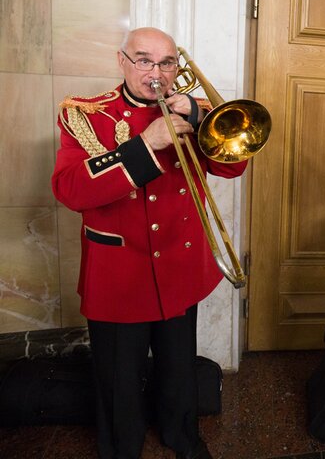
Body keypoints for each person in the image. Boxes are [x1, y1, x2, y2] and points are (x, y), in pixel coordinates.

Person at [52, 27, 247, 459]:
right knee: (120, 377)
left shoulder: (196, 110)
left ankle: (183, 437)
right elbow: (69, 189)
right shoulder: (86, 115)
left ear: (178, 66)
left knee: (178, 368)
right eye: (143, 60)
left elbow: (233, 169)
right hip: (120, 272)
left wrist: (200, 120)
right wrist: (146, 144)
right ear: (121, 60)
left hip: (180, 263)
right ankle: (122, 448)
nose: (155, 72)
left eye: (166, 62)